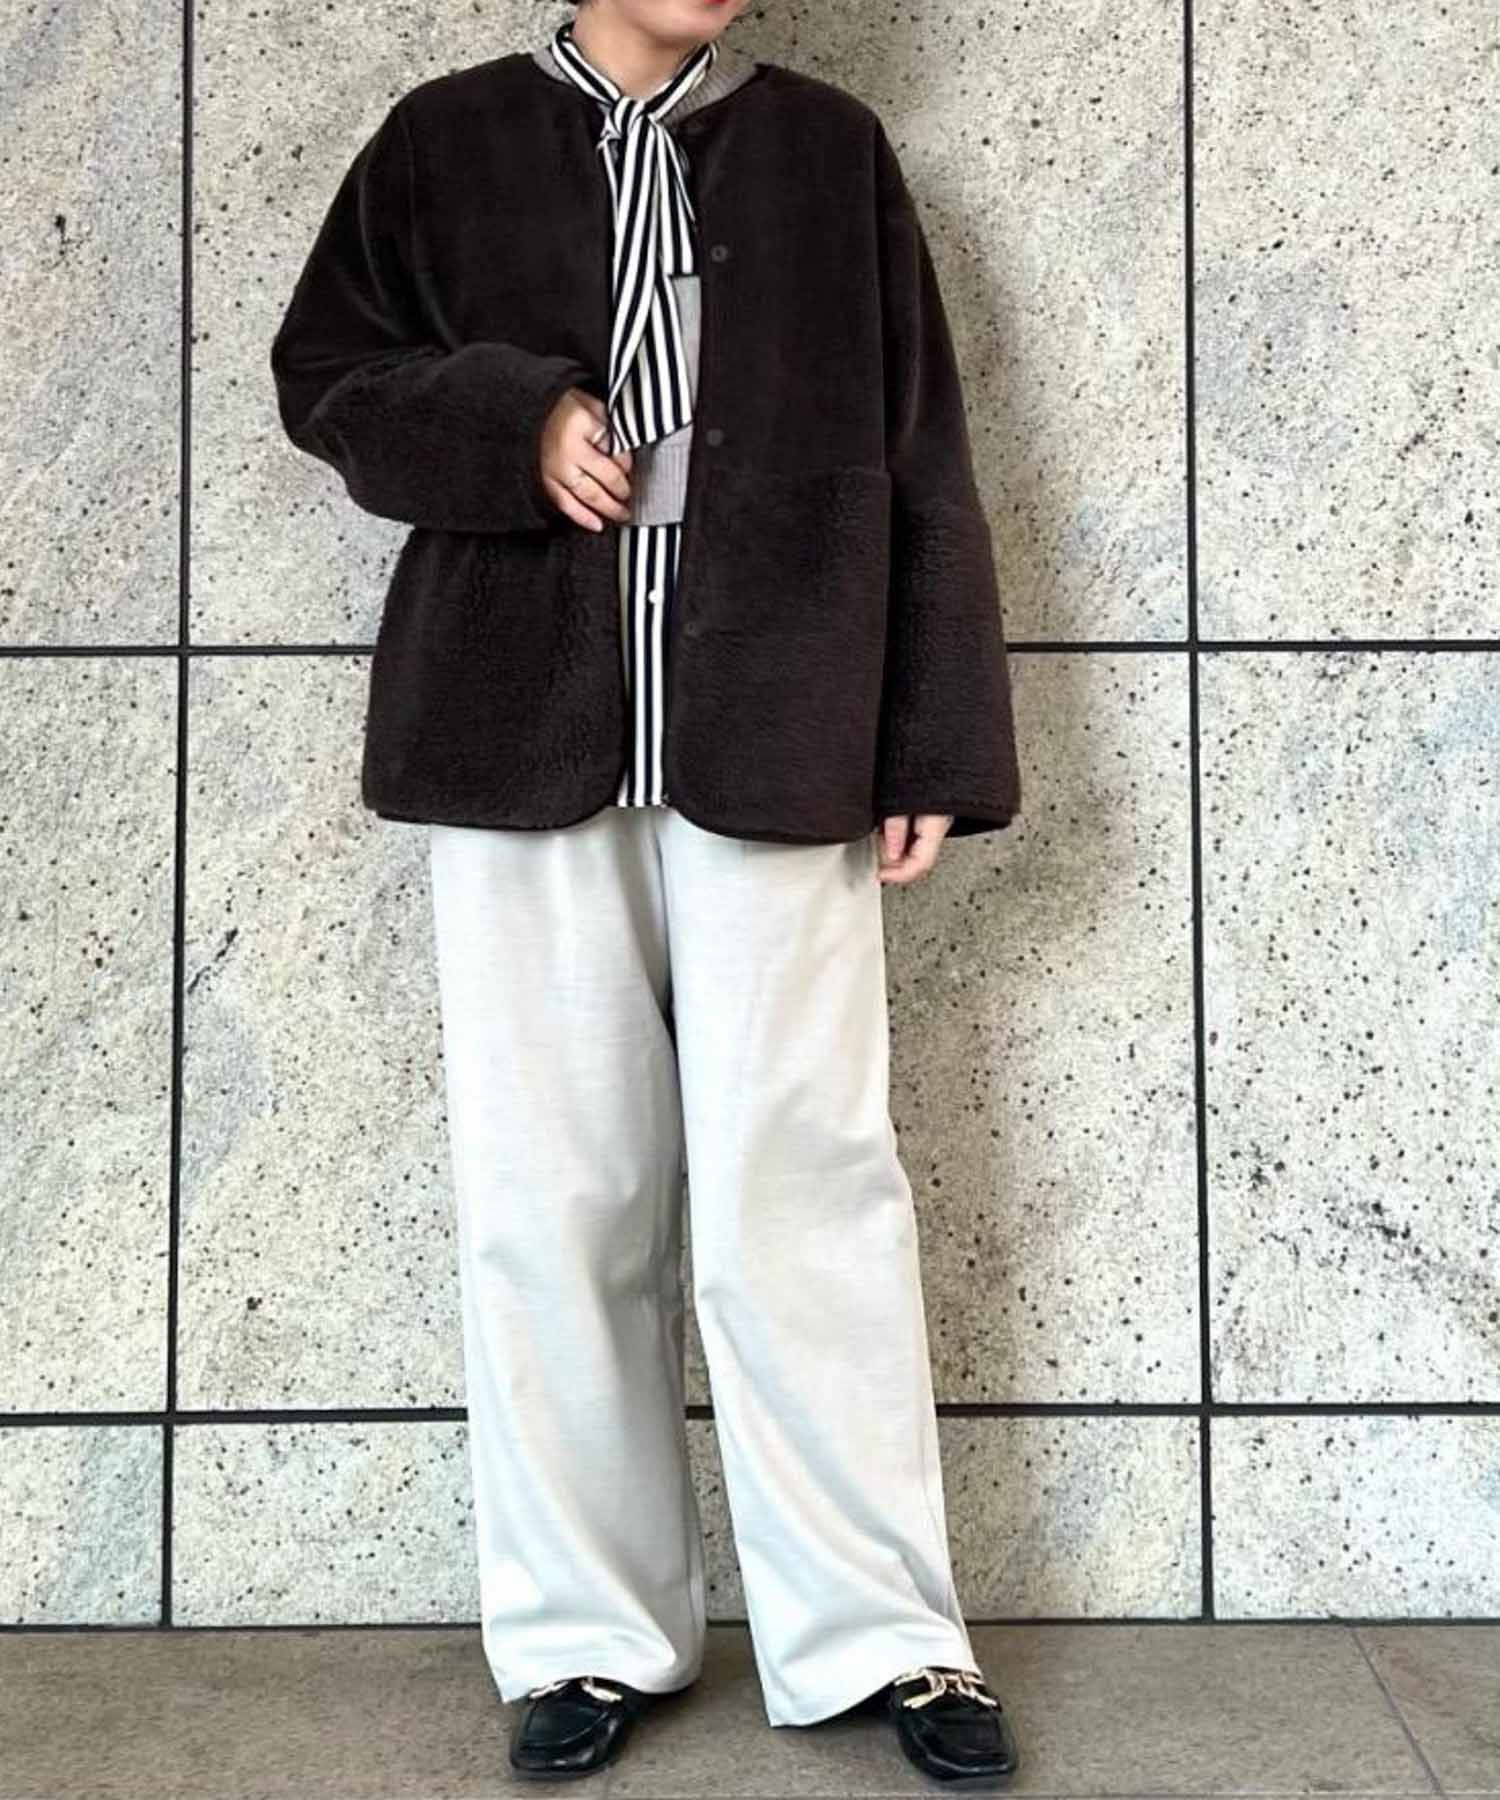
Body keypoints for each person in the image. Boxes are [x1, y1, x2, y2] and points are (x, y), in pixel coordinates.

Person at [270, 0, 1022, 1787]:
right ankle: (583, 1638)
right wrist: (511, 424)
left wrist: (929, 735)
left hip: (783, 723)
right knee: (555, 1198)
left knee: (809, 1184)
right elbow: (328, 376)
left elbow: (922, 449)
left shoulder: (831, 151)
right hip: (516, 734)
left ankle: (888, 1638)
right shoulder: (443, 139)